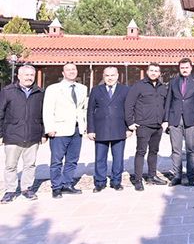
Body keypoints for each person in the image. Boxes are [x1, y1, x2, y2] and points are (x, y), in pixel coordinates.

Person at [0, 65, 46, 203]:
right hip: (12, 134)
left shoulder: (39, 92)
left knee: (30, 165)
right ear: (19, 76)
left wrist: (43, 133)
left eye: (31, 75)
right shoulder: (8, 91)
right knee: (10, 165)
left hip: (33, 134)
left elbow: (44, 114)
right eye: (26, 75)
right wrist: (1, 134)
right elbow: (0, 113)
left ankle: (27, 188)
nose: (29, 77)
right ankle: (10, 190)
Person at [43, 63, 88, 198]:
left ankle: (67, 184)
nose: (71, 72)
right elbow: (48, 109)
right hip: (59, 129)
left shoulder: (83, 88)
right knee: (57, 160)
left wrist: (84, 126)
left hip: (76, 129)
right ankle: (56, 187)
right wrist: (49, 128)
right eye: (68, 70)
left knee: (72, 159)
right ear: (63, 73)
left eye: (73, 69)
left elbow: (83, 108)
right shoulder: (53, 89)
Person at [125, 63, 168, 191]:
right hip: (143, 125)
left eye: (156, 71)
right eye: (152, 70)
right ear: (147, 72)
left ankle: (152, 176)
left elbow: (166, 105)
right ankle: (138, 180)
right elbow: (129, 104)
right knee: (141, 152)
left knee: (154, 151)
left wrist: (165, 120)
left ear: (159, 73)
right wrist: (130, 123)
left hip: (157, 125)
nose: (154, 73)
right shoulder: (138, 86)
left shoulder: (163, 87)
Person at [87, 67, 131, 193]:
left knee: (118, 158)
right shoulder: (96, 90)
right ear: (103, 76)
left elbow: (129, 110)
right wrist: (90, 129)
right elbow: (90, 111)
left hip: (119, 128)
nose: (110, 78)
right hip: (101, 129)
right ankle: (100, 182)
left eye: (112, 75)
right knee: (100, 157)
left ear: (118, 76)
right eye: (107, 75)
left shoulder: (125, 90)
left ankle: (116, 181)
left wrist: (129, 128)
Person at [164, 58, 194, 186]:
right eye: (182, 68)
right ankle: (177, 176)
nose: (184, 70)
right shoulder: (173, 82)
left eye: (186, 67)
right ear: (179, 69)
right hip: (174, 119)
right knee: (176, 150)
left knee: (190, 149)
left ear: (191, 68)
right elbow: (168, 102)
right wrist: (166, 120)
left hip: (191, 120)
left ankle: (191, 176)